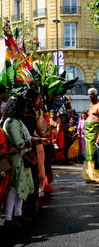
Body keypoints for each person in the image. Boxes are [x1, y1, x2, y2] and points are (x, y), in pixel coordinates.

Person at [2, 95, 49, 227]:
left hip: (22, 157)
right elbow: (19, 142)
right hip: (16, 158)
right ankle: (8, 218)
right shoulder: (12, 122)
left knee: (21, 187)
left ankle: (17, 214)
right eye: (24, 106)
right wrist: (28, 144)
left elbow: (27, 139)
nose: (25, 109)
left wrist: (31, 142)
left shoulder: (16, 121)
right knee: (14, 188)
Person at [81, 88, 99, 184]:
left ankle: (98, 177)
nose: (89, 96)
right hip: (88, 133)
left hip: (95, 132)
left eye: (91, 94)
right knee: (89, 154)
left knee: (96, 154)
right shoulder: (91, 105)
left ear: (96, 95)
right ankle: (90, 176)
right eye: (88, 94)